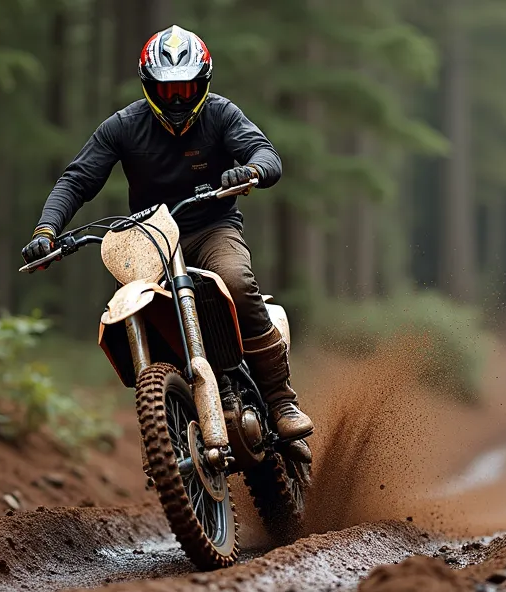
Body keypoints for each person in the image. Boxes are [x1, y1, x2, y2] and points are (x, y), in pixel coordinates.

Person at [21, 25, 313, 462]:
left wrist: (250, 170)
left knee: (234, 278)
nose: (177, 99)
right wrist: (46, 231)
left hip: (213, 228)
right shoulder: (122, 126)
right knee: (133, 305)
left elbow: (264, 152)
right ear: (149, 87)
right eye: (167, 89)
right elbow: (77, 179)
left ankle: (280, 401)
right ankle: (166, 414)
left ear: (203, 84)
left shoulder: (221, 114)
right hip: (151, 239)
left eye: (186, 88)